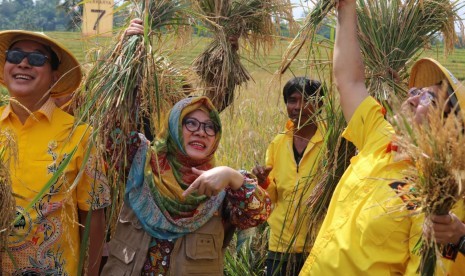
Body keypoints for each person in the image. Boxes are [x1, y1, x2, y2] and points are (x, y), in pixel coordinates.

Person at [299, 0, 465, 275]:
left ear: (450, 127)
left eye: (428, 96)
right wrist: (346, 7)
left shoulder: (442, 192)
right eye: (415, 90)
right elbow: (349, 81)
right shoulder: (380, 137)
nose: (412, 95)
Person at [101, 96, 271, 275]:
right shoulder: (141, 162)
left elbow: (259, 214)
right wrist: (134, 85)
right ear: (174, 126)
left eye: (210, 127)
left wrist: (232, 176)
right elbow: (109, 129)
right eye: (191, 123)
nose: (201, 132)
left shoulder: (224, 188)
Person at [0, 30, 110, 275]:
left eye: (37, 59)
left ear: (55, 77)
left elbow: (93, 217)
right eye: (15, 55)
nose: (24, 63)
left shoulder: (80, 135)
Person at [252, 77, 324, 276]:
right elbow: (274, 196)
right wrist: (262, 181)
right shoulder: (278, 143)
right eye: (292, 100)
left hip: (319, 243)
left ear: (319, 104)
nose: (298, 106)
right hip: (281, 245)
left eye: (307, 100)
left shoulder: (331, 143)